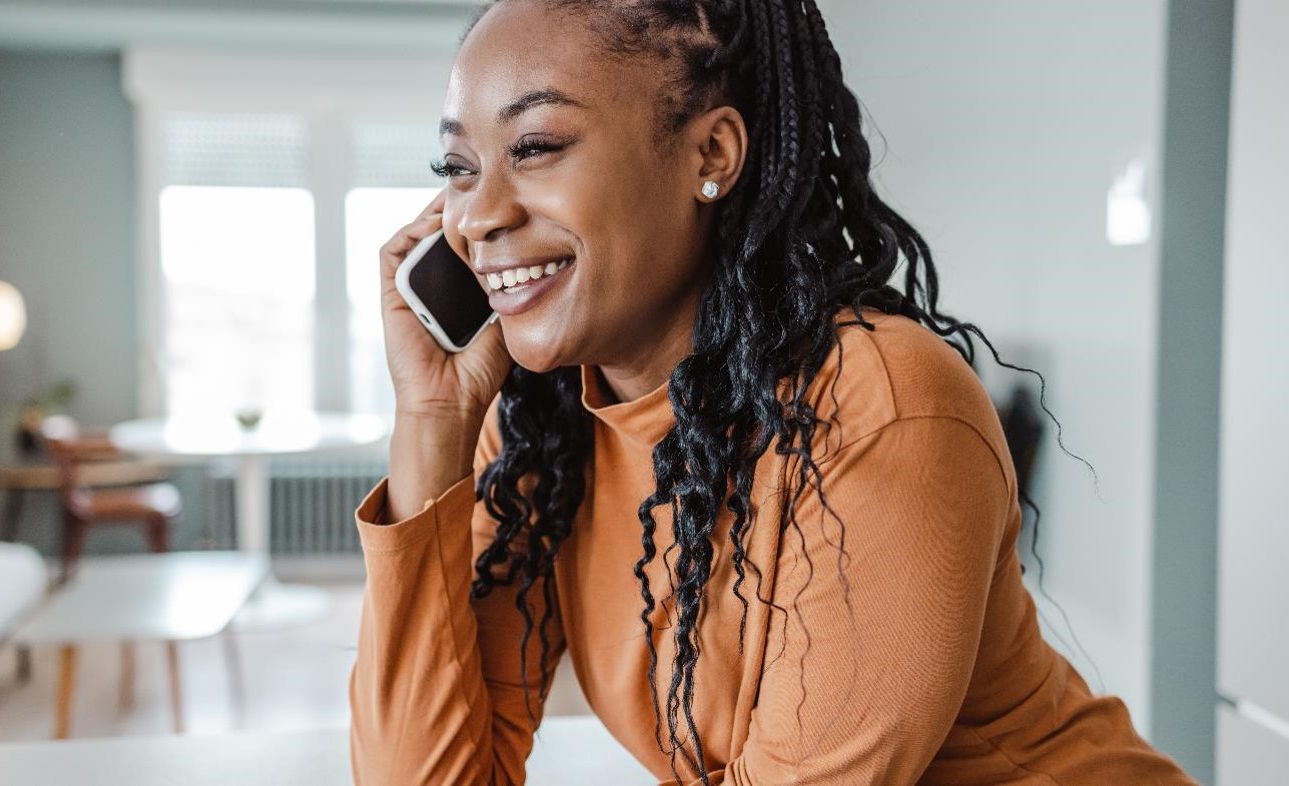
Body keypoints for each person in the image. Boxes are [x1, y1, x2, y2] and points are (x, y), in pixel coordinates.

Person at [349, 1, 1199, 784]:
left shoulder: (880, 407)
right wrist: (429, 426)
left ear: (709, 154)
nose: (476, 216)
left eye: (534, 147)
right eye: (457, 167)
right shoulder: (544, 430)